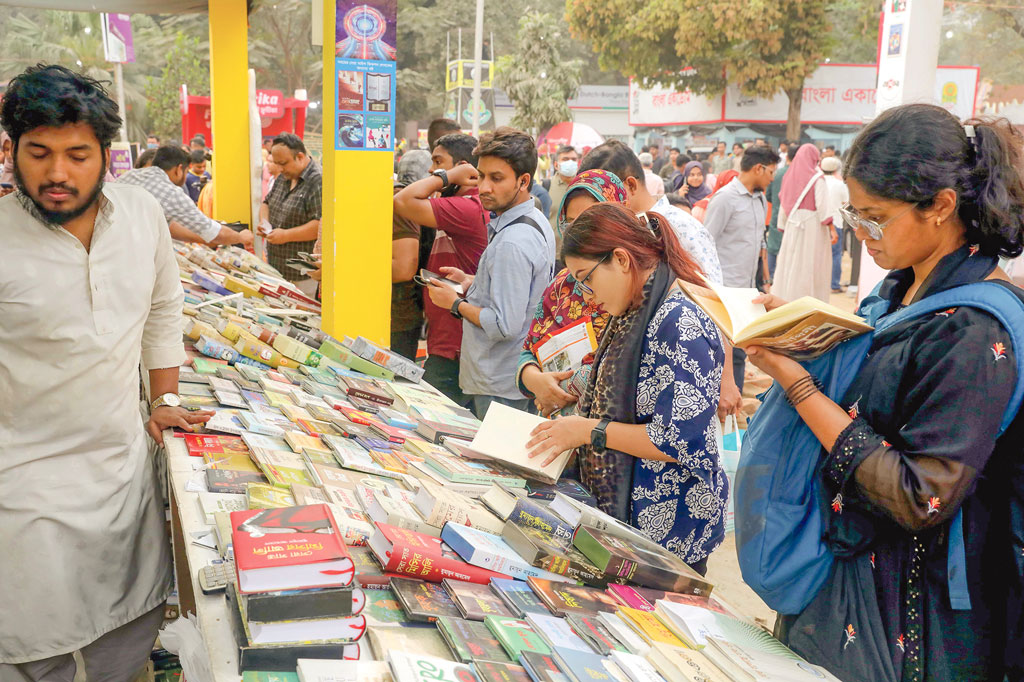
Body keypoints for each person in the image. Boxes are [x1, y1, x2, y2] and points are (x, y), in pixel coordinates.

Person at [747, 103, 1024, 681]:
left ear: (941, 207)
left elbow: (919, 495)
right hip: (847, 571)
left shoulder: (975, 331)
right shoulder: (903, 292)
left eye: (876, 219)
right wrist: (806, 334)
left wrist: (800, 385)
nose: (862, 235)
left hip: (908, 609)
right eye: (855, 216)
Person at [0, 63, 214, 681]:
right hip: (23, 494)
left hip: (122, 479)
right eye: (38, 153)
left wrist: (163, 398)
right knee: (33, 650)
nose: (58, 173)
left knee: (125, 641)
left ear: (105, 155)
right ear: (12, 151)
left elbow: (162, 312)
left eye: (77, 154)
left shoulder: (142, 215)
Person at [525, 203, 728, 574]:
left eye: (587, 278)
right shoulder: (635, 308)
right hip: (634, 520)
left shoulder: (679, 320)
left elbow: (678, 439)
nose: (586, 294)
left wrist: (588, 431)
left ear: (620, 259)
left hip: (668, 528)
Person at [424, 127, 556, 419]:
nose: (484, 187)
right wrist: (474, 283)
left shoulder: (513, 241)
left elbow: (503, 324)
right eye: (481, 176)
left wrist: (455, 304)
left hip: (498, 382)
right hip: (509, 377)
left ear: (524, 181)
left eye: (497, 179)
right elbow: (519, 293)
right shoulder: (533, 219)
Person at [517, 170, 628, 416]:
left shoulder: (633, 290)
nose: (580, 232)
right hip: (554, 428)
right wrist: (537, 382)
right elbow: (529, 350)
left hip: (605, 436)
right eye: (571, 222)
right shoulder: (562, 285)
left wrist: (561, 391)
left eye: (591, 220)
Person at [393, 133, 489, 407]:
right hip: (446, 338)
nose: (431, 170)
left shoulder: (467, 206)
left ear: (461, 167)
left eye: (438, 162)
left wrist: (446, 177)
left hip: (454, 345)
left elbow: (402, 201)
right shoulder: (459, 205)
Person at [703, 144, 779, 394]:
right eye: (771, 172)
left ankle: (733, 399)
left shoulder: (759, 199)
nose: (772, 178)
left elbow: (759, 243)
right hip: (725, 288)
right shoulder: (725, 199)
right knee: (723, 350)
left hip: (748, 287)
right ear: (758, 168)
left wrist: (764, 279)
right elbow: (706, 241)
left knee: (742, 347)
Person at [118, 144, 253, 248]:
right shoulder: (170, 193)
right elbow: (215, 234)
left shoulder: (129, 175)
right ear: (178, 169)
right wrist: (240, 237)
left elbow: (171, 227)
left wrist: (203, 239)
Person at [259, 133, 322, 295]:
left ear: (300, 157)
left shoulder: (317, 181)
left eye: (283, 163)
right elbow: (266, 203)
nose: (279, 168)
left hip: (301, 274)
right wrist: (264, 223)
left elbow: (320, 225)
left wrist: (286, 235)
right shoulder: (284, 177)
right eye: (277, 163)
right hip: (276, 265)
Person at [772, 143, 834, 302]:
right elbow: (823, 208)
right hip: (812, 228)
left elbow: (783, 206)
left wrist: (783, 225)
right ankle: (810, 301)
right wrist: (831, 228)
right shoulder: (817, 178)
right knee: (810, 265)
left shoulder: (788, 177)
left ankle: (786, 299)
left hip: (793, 226)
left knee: (790, 264)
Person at [390, 150, 431, 361]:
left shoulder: (397, 199)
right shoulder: (403, 203)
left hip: (398, 313)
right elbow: (404, 268)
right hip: (399, 314)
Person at [820, 156, 849, 293]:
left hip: (821, 223)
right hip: (836, 222)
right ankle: (834, 284)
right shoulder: (839, 184)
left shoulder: (818, 182)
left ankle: (821, 283)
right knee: (836, 254)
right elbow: (847, 202)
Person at [763, 158, 789, 282]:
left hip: (776, 212)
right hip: (793, 217)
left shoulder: (777, 174)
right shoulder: (800, 174)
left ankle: (770, 276)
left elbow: (768, 194)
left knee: (772, 246)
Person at [547, 145, 579, 223]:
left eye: (574, 159)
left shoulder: (584, 186)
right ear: (556, 165)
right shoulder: (546, 186)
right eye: (565, 159)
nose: (570, 162)